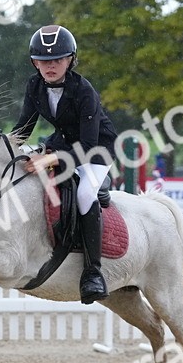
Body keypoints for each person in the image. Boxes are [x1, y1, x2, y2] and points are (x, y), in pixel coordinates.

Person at [13, 24, 118, 304]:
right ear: (34, 62)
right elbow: (23, 129)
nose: (51, 66)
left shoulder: (83, 90)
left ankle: (93, 272)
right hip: (61, 142)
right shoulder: (34, 85)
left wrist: (49, 157)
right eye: (44, 61)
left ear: (71, 59)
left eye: (58, 59)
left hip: (96, 150)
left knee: (84, 193)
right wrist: (2, 147)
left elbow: (87, 144)